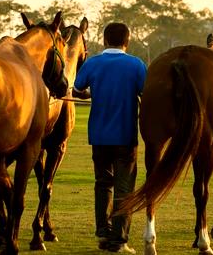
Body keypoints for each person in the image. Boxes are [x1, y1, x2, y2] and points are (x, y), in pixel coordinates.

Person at [73, 22, 147, 254]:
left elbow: (76, 89)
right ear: (127, 40)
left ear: (104, 40)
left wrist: (89, 93)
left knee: (102, 183)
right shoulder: (136, 64)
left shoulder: (93, 62)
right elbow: (145, 93)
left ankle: (103, 231)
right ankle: (118, 239)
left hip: (99, 135)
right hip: (125, 135)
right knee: (124, 188)